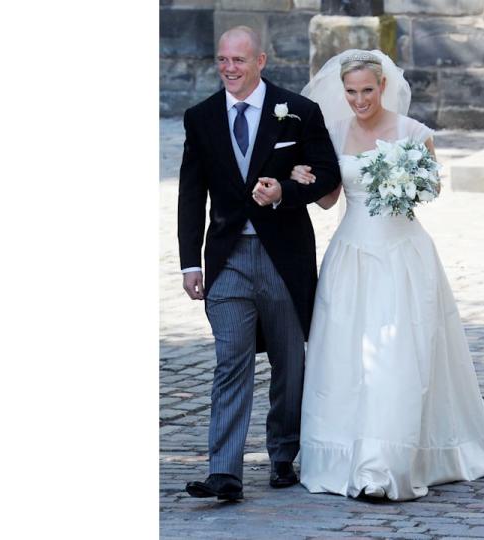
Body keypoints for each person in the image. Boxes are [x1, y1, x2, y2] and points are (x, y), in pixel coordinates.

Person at [290, 49, 484, 501]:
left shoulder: (414, 133)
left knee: (399, 355)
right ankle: (343, 454)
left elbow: (431, 188)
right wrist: (304, 176)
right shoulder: (334, 132)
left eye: (367, 90)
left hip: (403, 255)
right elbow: (327, 200)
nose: (359, 99)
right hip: (351, 256)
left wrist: (409, 179)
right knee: (346, 357)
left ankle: (388, 461)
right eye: (351, 91)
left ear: (383, 86)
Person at [178, 26, 341, 501]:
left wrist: (287, 192)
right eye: (222, 59)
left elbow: (329, 175)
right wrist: (191, 263)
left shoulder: (299, 112)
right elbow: (192, 195)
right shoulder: (201, 117)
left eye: (239, 60)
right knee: (231, 359)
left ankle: (283, 455)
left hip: (283, 258)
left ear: (261, 61)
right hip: (227, 259)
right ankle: (224, 472)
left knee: (290, 364)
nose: (229, 68)